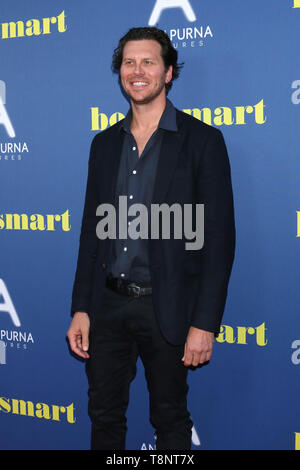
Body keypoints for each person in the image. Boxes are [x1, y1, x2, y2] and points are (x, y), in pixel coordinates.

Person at [67, 26, 235, 450]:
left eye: (148, 62)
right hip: (107, 308)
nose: (136, 71)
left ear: (168, 73)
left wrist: (204, 323)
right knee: (103, 415)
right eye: (128, 62)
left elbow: (218, 241)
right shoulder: (103, 145)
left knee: (170, 418)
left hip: (170, 308)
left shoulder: (203, 142)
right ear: (119, 71)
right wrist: (82, 308)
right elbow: (92, 232)